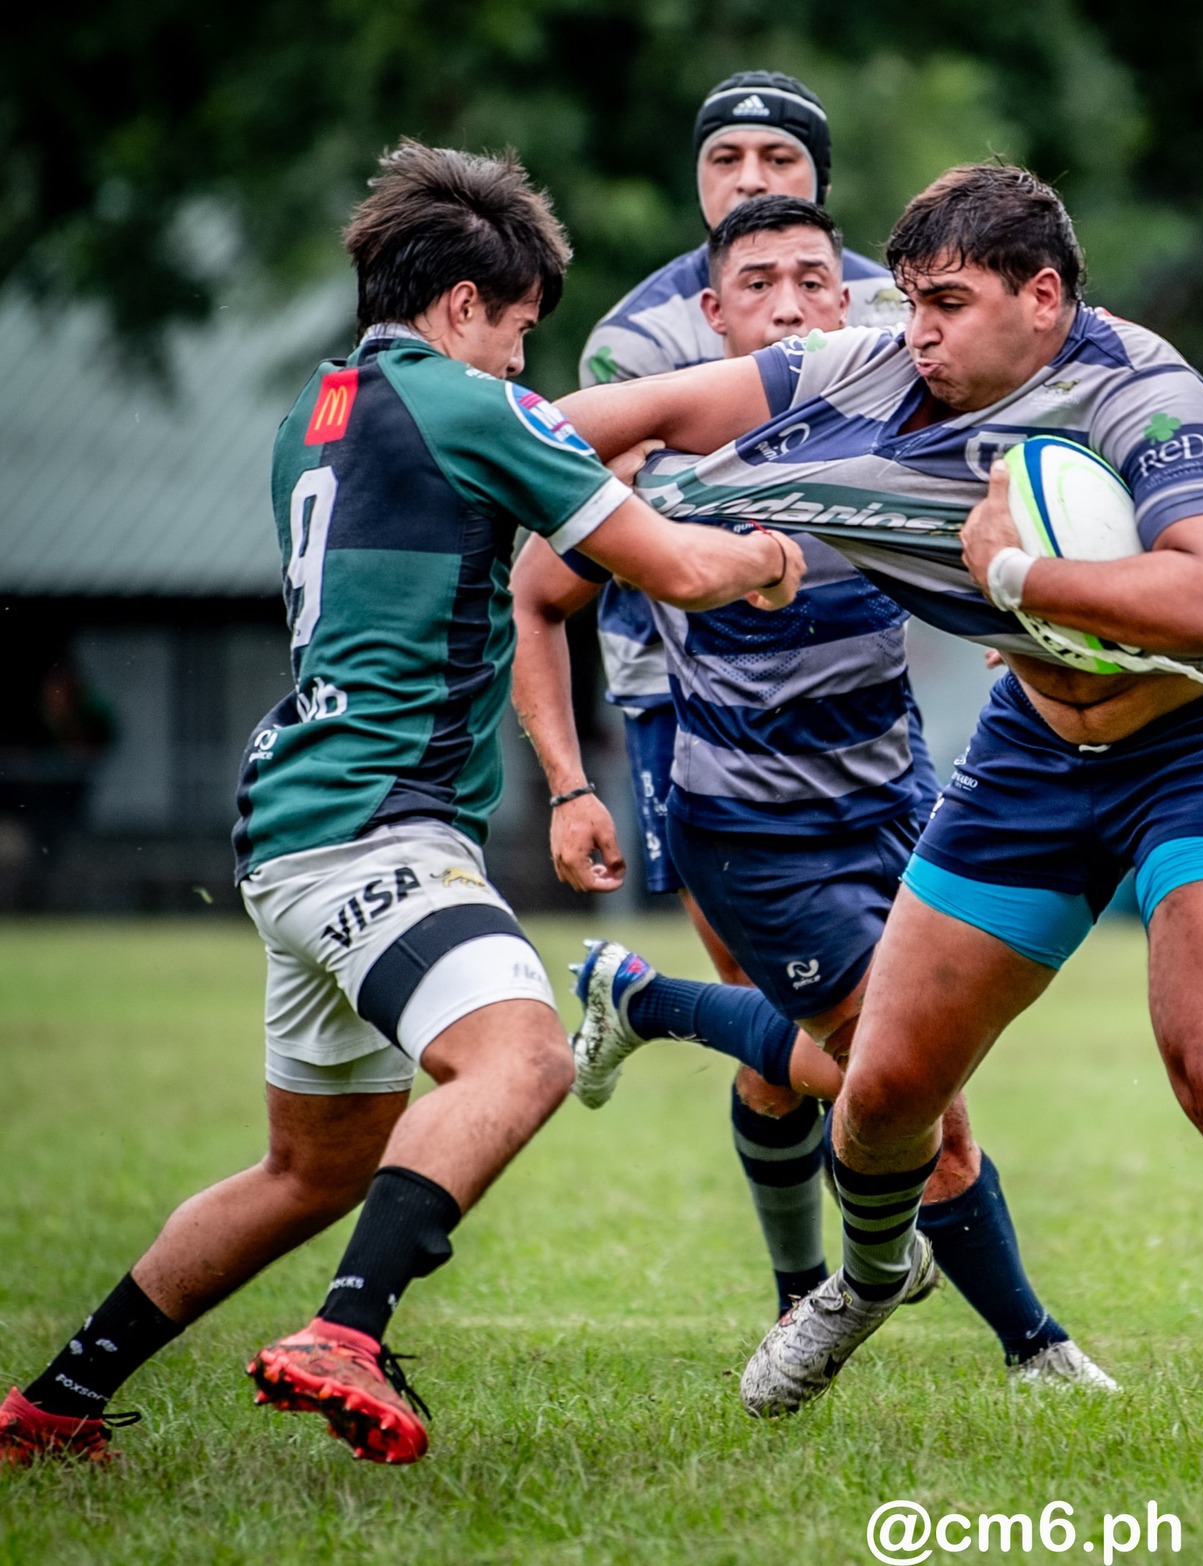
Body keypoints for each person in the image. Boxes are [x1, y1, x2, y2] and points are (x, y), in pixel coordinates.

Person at [556, 164, 1203, 1472]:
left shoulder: (1142, 391)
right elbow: (641, 408)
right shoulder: (868, 367)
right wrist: (474, 437)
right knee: (885, 1092)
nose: (914, 326)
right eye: (910, 298)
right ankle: (864, 1282)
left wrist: (1022, 571)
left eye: (948, 302)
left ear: (1043, 296)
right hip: (1036, 748)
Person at [0, 141, 802, 1467]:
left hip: (290, 825)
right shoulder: (468, 406)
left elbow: (525, 464)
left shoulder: (315, 409)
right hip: (378, 824)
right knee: (525, 1056)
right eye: (520, 334)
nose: (523, 365)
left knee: (311, 1171)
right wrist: (773, 555)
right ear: (465, 305)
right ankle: (346, 1332)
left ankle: (54, 1401)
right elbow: (670, 566)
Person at [513, 194, 1110, 1387]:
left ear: (847, 304)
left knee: (911, 1076)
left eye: (809, 280)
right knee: (895, 1084)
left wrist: (1034, 617)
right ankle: (1029, 1349)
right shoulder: (658, 477)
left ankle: (639, 1001)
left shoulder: (926, 433)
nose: (786, 302)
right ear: (712, 311)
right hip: (753, 836)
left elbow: (1023, 557)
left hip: (899, 798)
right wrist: (569, 783)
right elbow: (535, 599)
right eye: (756, 284)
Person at [573, 70, 906, 929]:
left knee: (890, 960)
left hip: (850, 655)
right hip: (680, 671)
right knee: (747, 957)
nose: (750, 178)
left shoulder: (893, 304)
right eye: (725, 157)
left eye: (778, 156)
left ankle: (647, 1001)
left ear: (820, 177)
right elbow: (604, 515)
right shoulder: (634, 339)